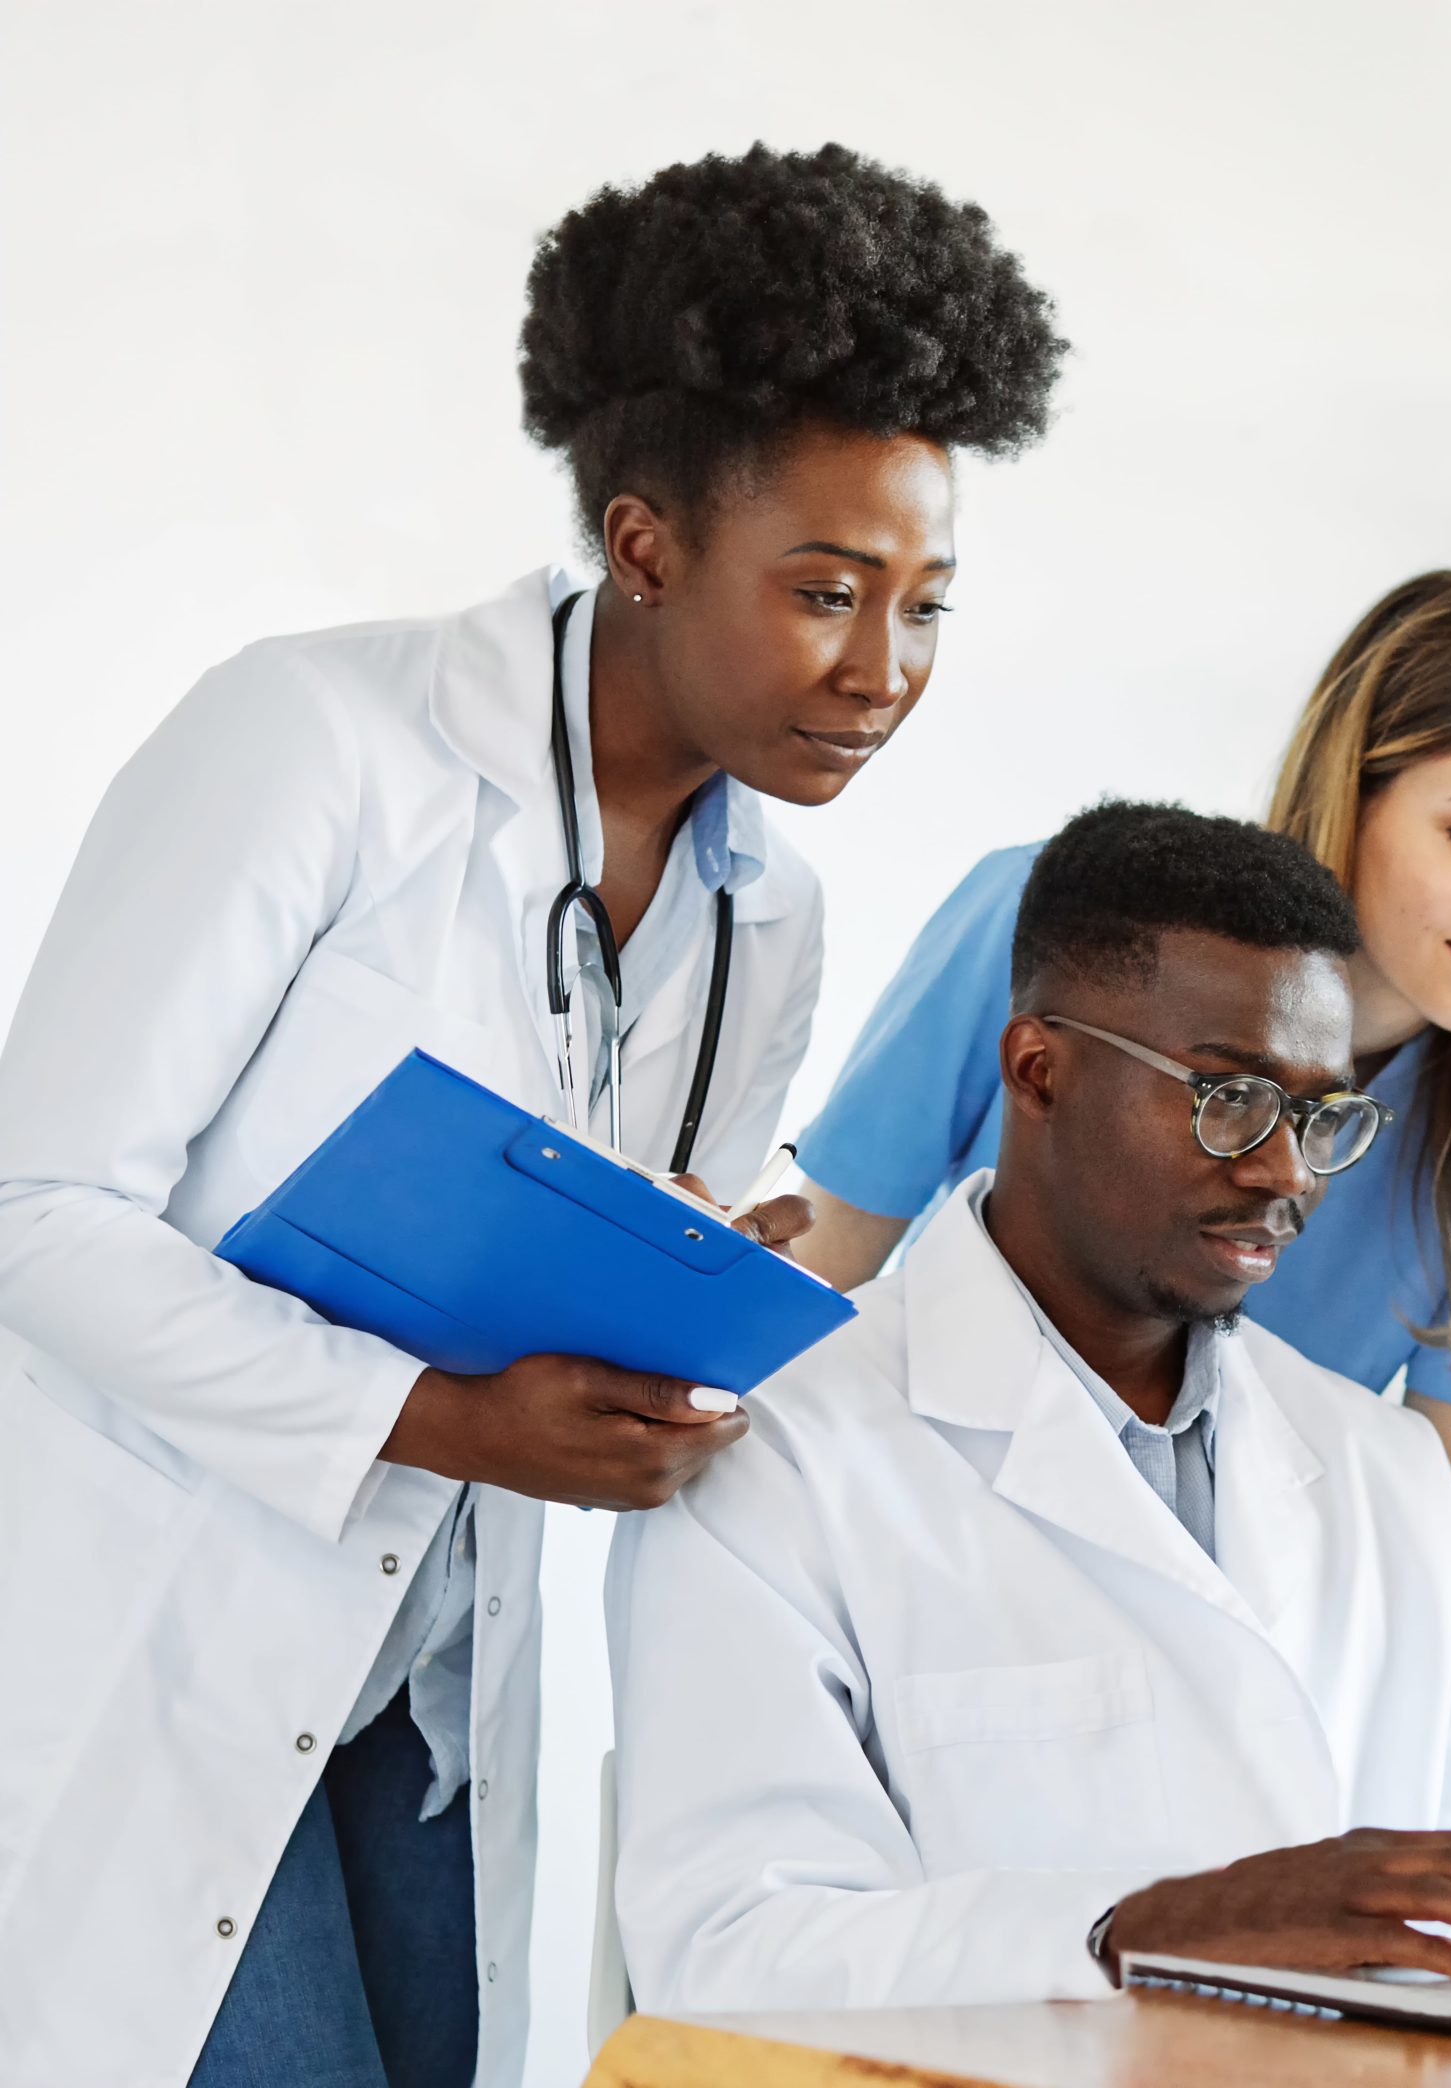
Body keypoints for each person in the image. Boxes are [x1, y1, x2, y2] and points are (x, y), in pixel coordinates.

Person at [0, 145, 1064, 2088]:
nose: (882, 672)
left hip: (434, 1689)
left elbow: (611, 1242)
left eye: (923, 603)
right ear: (645, 545)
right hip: (167, 1628)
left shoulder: (768, 911)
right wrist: (435, 1417)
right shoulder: (316, 742)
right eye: (824, 592)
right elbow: (37, 1208)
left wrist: (689, 1312)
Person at [606, 802, 1451, 2010]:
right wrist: (1145, 1928)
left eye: (1321, 1119)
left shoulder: (1383, 1467)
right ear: (1038, 1070)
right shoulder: (784, 1450)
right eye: (1229, 1099)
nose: (1283, 1170)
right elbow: (731, 1952)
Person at [789, 573, 1451, 1574]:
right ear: (1353, 795)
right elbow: (814, 1284)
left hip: (1220, 1621)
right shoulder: (1053, 932)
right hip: (921, 1546)